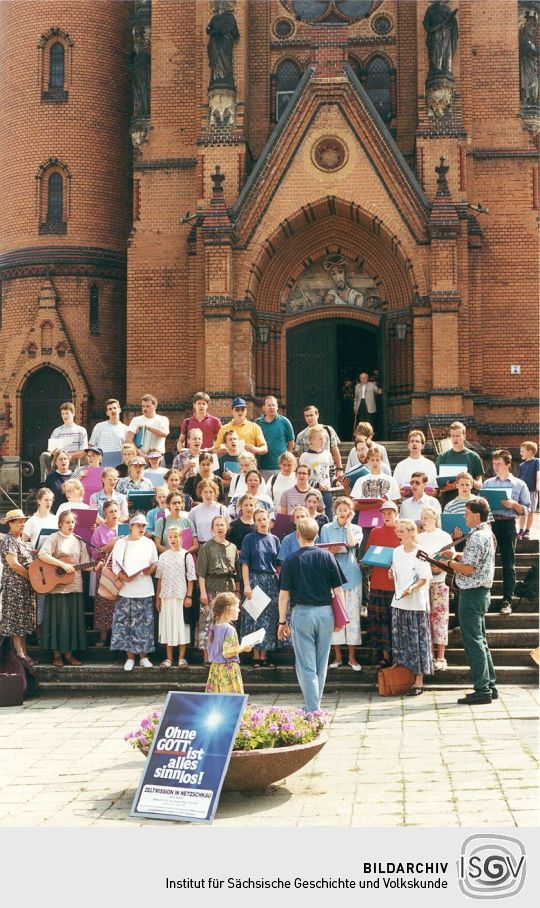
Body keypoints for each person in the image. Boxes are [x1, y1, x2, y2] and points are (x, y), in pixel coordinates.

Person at [278, 517, 345, 713]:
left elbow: (283, 596)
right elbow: (339, 591)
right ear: (317, 535)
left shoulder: (291, 559)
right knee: (320, 663)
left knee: (306, 665)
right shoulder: (327, 557)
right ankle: (313, 705)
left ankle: (312, 709)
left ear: (297, 535)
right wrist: (341, 617)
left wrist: (282, 621)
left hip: (302, 613)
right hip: (326, 613)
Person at [439, 498, 497, 705]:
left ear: (476, 515)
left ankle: (482, 690)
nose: (464, 516)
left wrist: (449, 562)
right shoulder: (486, 533)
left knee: (473, 643)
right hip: (482, 593)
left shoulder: (476, 536)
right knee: (481, 641)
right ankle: (490, 685)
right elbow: (476, 559)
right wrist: (457, 554)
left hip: (472, 594)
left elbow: (469, 569)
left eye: (466, 513)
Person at [38, 510, 93, 667]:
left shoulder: (79, 540)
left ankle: (69, 655)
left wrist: (96, 566)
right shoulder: (54, 538)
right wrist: (62, 564)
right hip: (56, 587)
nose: (71, 525)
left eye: (73, 522)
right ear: (60, 524)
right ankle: (56, 656)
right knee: (56, 621)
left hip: (74, 586)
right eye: (67, 522)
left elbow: (85, 563)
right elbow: (42, 555)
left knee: (71, 622)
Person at [482, 449, 530, 616]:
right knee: (486, 562)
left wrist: (513, 505)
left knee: (509, 564)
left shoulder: (519, 484)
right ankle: (484, 599)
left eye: (499, 464)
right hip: (490, 524)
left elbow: (526, 509)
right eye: (494, 464)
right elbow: (481, 507)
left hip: (508, 523)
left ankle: (507, 600)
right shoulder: (488, 483)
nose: (496, 467)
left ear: (508, 465)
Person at [388, 519, 433, 695]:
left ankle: (419, 681)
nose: (398, 534)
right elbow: (395, 572)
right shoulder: (397, 551)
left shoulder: (421, 552)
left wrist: (412, 588)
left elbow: (424, 577)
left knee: (417, 641)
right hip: (399, 601)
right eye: (397, 531)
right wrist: (391, 573)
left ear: (412, 532)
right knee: (401, 640)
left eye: (402, 531)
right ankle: (402, 678)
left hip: (416, 603)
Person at [110, 513, 159, 670]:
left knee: (144, 624)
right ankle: (130, 657)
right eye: (138, 525)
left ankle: (144, 656)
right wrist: (121, 575)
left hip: (144, 588)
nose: (141, 528)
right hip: (126, 589)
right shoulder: (121, 543)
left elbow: (155, 563)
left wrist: (149, 570)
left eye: (144, 525)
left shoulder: (149, 543)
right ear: (131, 526)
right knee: (126, 624)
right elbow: (115, 564)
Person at [321, 497, 363, 671]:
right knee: (335, 616)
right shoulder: (326, 528)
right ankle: (337, 657)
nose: (343, 512)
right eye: (340, 509)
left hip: (352, 576)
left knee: (352, 618)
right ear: (335, 511)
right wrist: (330, 552)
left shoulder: (356, 528)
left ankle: (352, 658)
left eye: (346, 509)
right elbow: (322, 550)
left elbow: (352, 544)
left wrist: (348, 525)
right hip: (332, 576)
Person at [240, 509, 280, 667]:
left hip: (270, 581)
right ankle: (256, 655)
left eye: (265, 519)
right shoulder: (249, 538)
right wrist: (247, 585)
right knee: (255, 618)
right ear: (255, 522)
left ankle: (265, 655)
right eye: (259, 520)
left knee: (269, 619)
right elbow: (245, 563)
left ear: (269, 520)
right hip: (254, 579)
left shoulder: (275, 539)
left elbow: (278, 564)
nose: (263, 522)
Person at [197, 515, 240, 663]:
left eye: (222, 525)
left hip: (228, 588)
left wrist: (237, 592)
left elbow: (237, 573)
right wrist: (203, 592)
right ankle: (207, 656)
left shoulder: (233, 547)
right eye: (217, 525)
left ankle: (226, 654)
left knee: (227, 622)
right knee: (208, 623)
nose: (220, 528)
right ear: (212, 528)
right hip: (211, 587)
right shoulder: (206, 547)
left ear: (227, 527)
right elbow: (201, 573)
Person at [418, 506, 454, 672]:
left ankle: (441, 656)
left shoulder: (444, 535)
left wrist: (440, 566)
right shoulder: (419, 537)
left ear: (434, 518)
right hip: (424, 582)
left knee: (440, 617)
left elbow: (450, 557)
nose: (423, 521)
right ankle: (429, 654)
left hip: (439, 581)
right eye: (422, 518)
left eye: (426, 517)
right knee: (426, 617)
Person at [365, 501, 400, 670]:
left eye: (390, 512)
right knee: (380, 623)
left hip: (397, 585)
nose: (387, 515)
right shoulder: (375, 531)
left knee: (395, 623)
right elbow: (368, 555)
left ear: (396, 513)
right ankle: (385, 657)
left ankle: (398, 658)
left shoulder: (401, 530)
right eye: (384, 513)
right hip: (378, 582)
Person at [155, 526, 197, 668]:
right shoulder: (163, 556)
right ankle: (168, 658)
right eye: (170, 537)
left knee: (181, 627)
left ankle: (181, 658)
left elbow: (191, 578)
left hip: (181, 596)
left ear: (181, 537)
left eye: (175, 536)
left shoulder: (187, 556)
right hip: (166, 596)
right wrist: (158, 598)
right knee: (168, 626)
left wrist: (189, 596)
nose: (173, 539)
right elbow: (159, 578)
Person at [0, 509, 36, 666]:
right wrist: (31, 576)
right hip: (14, 585)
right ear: (10, 524)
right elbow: (13, 564)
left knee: (23, 619)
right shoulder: (9, 541)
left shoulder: (21, 541)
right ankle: (20, 654)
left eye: (23, 521)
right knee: (16, 619)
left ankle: (24, 652)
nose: (22, 524)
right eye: (19, 521)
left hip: (25, 586)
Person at [205, 593, 254, 694]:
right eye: (236, 607)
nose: (239, 610)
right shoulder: (229, 629)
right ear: (227, 609)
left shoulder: (213, 628)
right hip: (227, 671)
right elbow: (227, 653)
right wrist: (243, 648)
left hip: (215, 669)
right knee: (230, 702)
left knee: (216, 702)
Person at [91, 500, 120, 647]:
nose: (115, 514)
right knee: (103, 603)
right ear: (105, 514)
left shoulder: (124, 528)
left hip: (121, 572)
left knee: (118, 604)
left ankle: (117, 637)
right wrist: (112, 544)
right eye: (111, 512)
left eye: (116, 511)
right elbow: (95, 553)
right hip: (104, 571)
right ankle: (103, 637)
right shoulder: (99, 530)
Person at [435, 421, 484, 507]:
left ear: (464, 436)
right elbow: (437, 487)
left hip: (470, 503)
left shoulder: (473, 456)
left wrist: (470, 482)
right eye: (453, 436)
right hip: (449, 503)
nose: (455, 439)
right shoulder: (442, 457)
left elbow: (480, 485)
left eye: (458, 436)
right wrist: (450, 487)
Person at [39, 401, 88, 481]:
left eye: (67, 413)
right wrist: (54, 452)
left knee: (66, 460)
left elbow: (83, 452)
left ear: (73, 413)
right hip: (59, 459)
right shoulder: (57, 431)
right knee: (44, 455)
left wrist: (68, 456)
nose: (65, 416)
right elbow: (51, 449)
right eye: (63, 414)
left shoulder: (81, 430)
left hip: (73, 461)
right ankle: (44, 482)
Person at [295, 405, 343, 485]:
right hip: (312, 475)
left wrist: (339, 468)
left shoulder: (328, 430)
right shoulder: (301, 435)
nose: (309, 418)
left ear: (317, 415)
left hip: (326, 470)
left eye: (311, 415)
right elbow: (300, 457)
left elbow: (335, 449)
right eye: (306, 416)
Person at [298, 424, 335, 519]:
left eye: (323, 438)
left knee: (328, 517)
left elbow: (331, 471)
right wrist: (318, 485)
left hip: (327, 492)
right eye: (320, 439)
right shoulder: (305, 456)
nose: (323, 441)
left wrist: (335, 481)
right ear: (312, 440)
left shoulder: (327, 454)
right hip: (311, 493)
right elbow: (302, 477)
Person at [255, 395, 295, 481]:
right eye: (269, 405)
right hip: (262, 466)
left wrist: (284, 457)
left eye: (273, 405)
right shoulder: (257, 423)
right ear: (263, 408)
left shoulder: (285, 422)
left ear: (277, 407)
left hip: (280, 467)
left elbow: (291, 443)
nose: (271, 407)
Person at [88, 398, 128, 463]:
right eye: (110, 409)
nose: (113, 410)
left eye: (115, 408)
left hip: (119, 463)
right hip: (102, 463)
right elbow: (91, 446)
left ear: (119, 410)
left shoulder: (126, 429)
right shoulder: (99, 426)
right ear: (107, 413)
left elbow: (128, 449)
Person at [518, 441, 539, 540]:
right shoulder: (521, 465)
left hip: (532, 491)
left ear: (530, 452)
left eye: (522, 451)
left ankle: (527, 530)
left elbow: (538, 473)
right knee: (522, 512)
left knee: (531, 512)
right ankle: (521, 530)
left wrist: (538, 485)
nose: (520, 453)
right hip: (523, 492)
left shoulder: (537, 462)